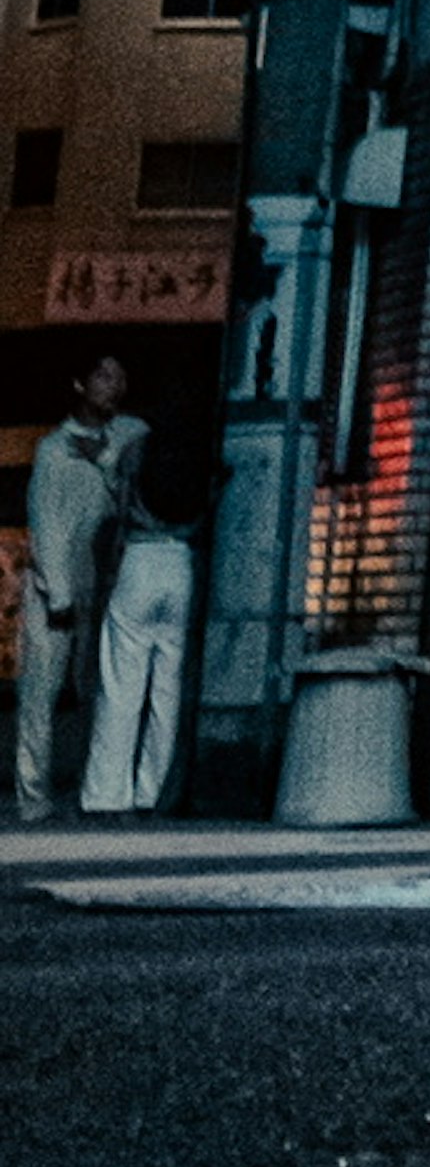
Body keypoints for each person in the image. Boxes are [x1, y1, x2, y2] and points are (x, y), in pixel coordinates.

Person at [15, 345, 143, 820]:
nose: (114, 386)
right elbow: (45, 522)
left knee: (99, 692)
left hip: (106, 586)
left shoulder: (129, 435)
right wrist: (59, 594)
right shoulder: (53, 451)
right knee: (40, 696)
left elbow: (136, 488)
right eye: (105, 376)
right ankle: (34, 797)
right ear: (80, 384)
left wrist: (105, 457)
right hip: (56, 589)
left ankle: (93, 790)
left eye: (119, 377)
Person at [81, 434, 200, 819]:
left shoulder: (138, 447)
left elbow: (121, 500)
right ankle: (153, 793)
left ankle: (106, 796)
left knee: (121, 686)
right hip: (181, 561)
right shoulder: (199, 452)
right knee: (168, 691)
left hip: (141, 556)